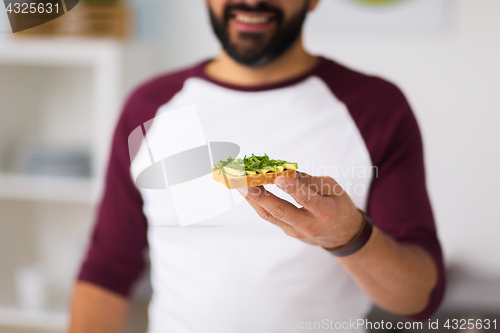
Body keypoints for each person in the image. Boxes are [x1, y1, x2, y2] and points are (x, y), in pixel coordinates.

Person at [69, 0, 445, 332]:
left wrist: (349, 236)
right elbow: (107, 269)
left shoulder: (376, 108)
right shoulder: (148, 107)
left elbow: (418, 298)